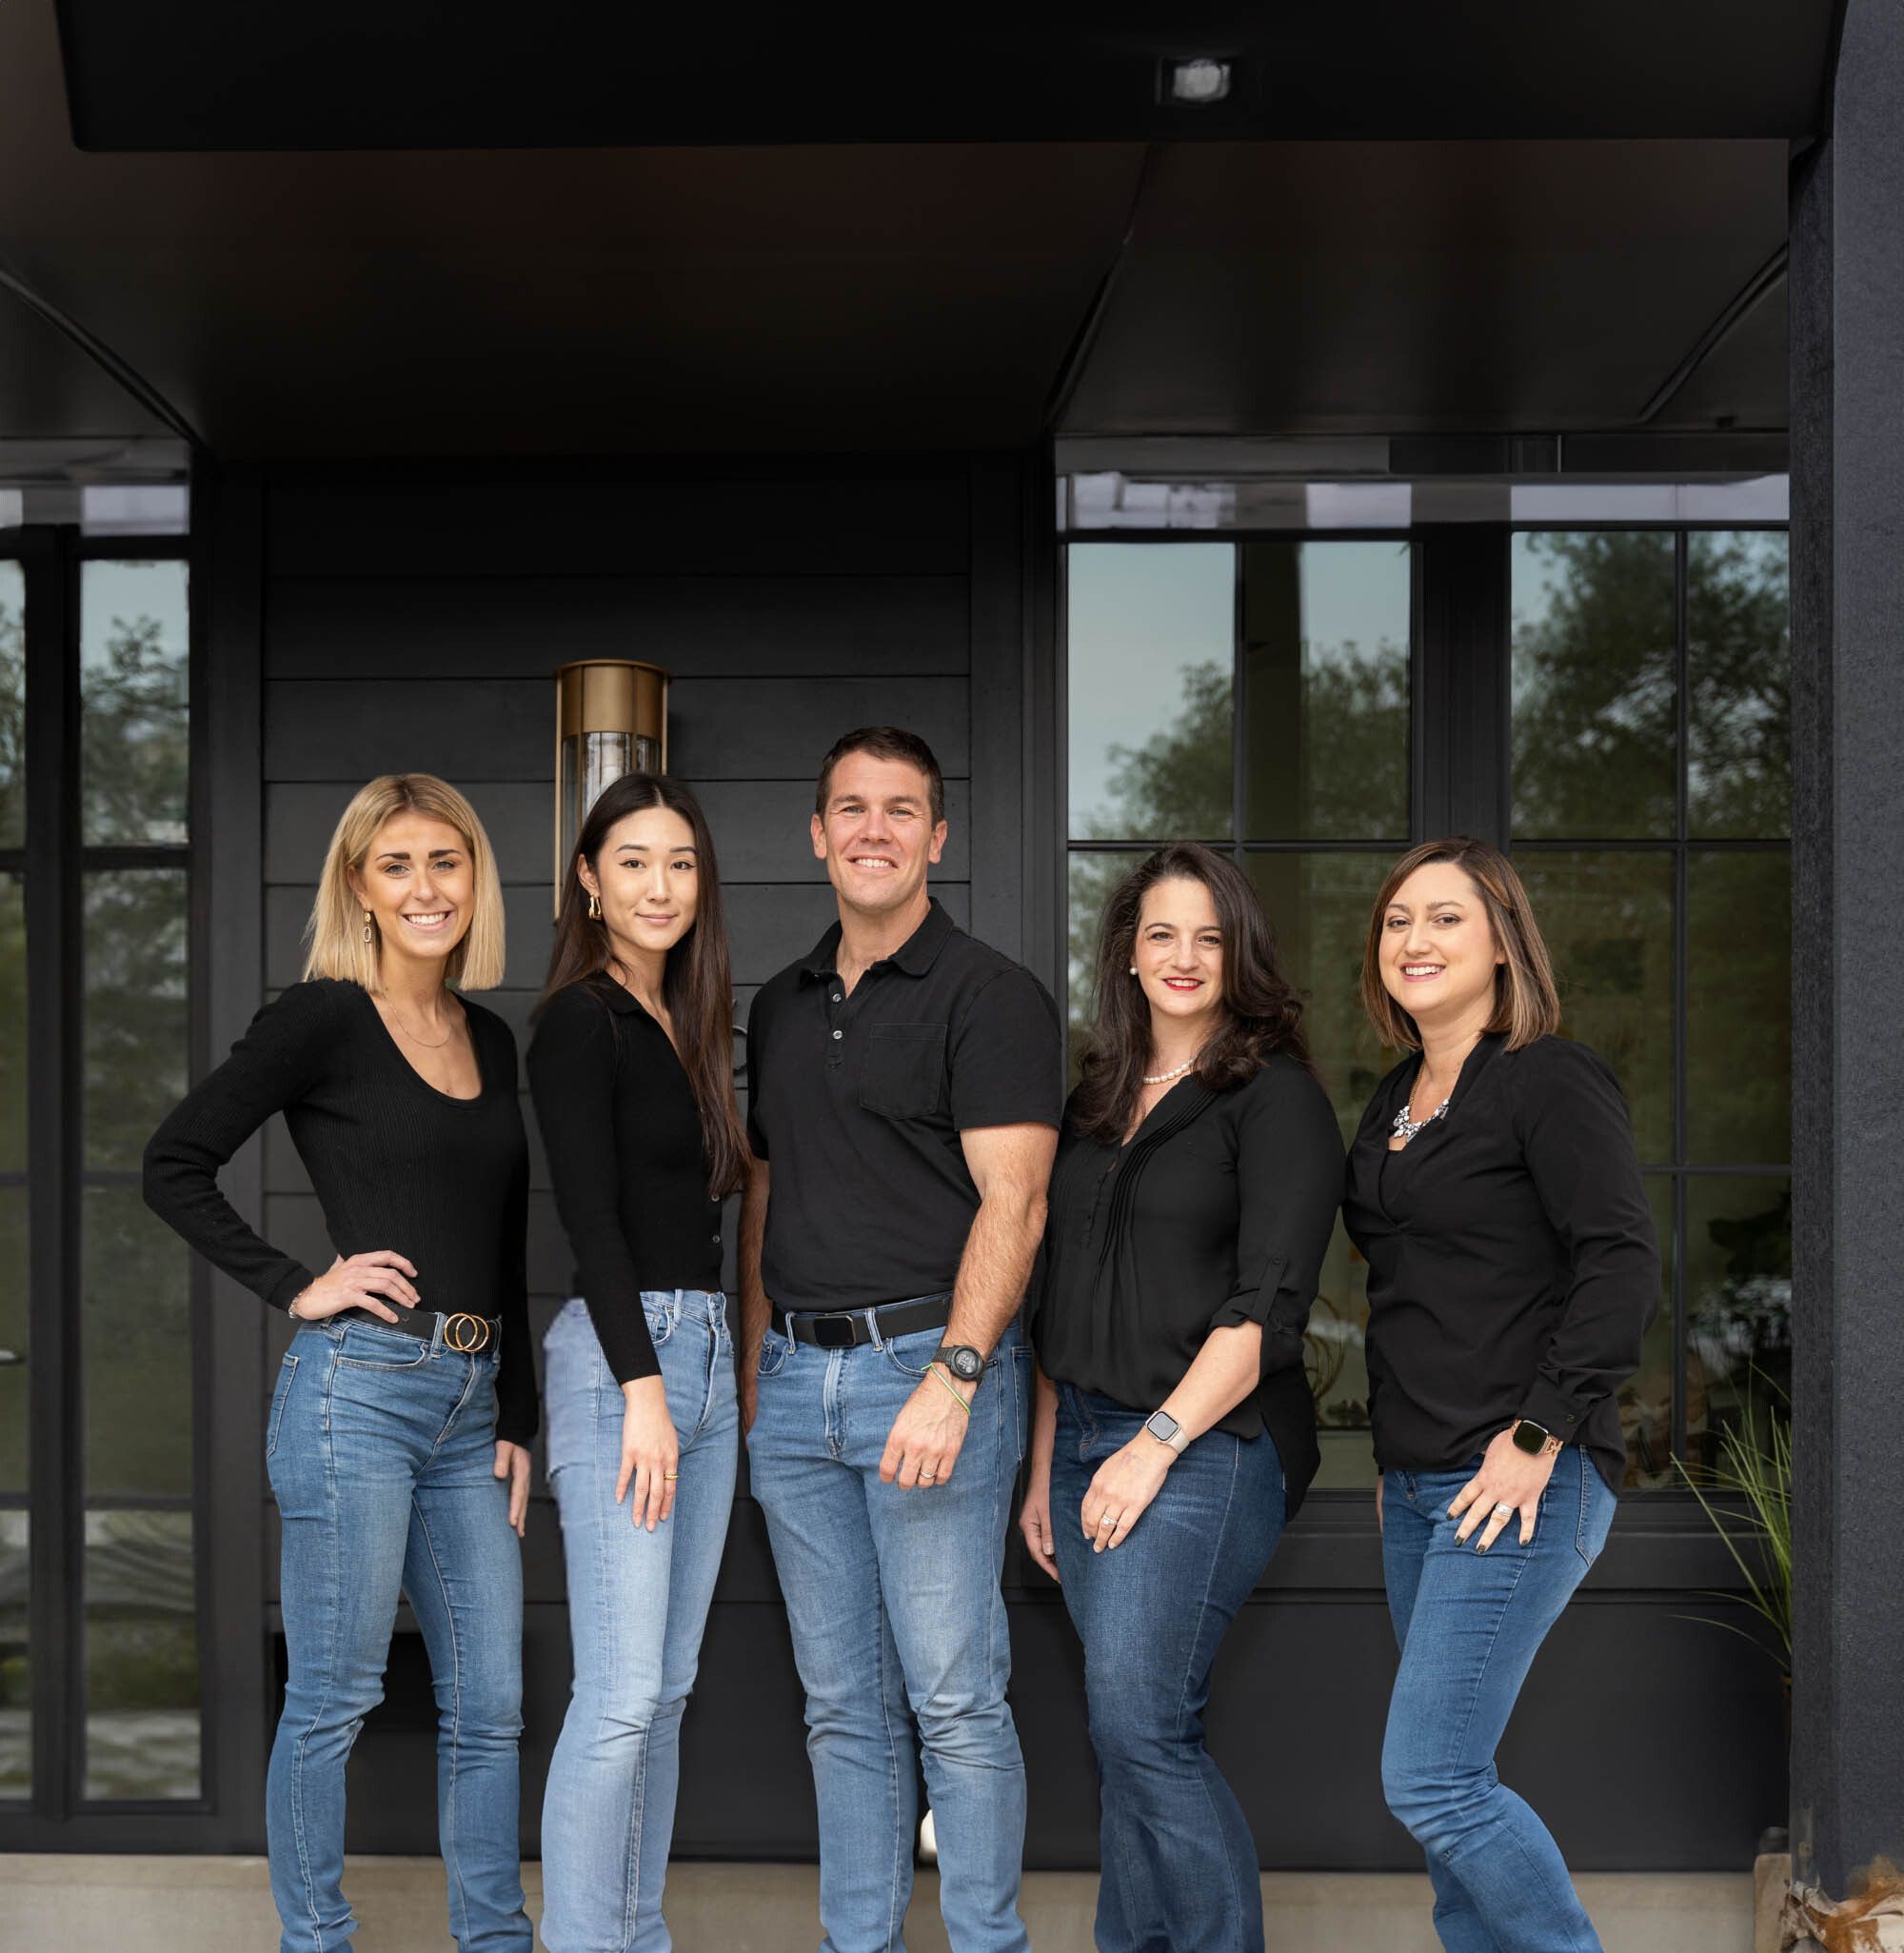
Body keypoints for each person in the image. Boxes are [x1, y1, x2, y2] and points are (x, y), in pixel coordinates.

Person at [142, 773, 533, 1953]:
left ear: (474, 878)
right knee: (336, 1696)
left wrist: (513, 1408)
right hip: (355, 1396)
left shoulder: (492, 1035)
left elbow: (506, 1234)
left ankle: (494, 1940)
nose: (427, 887)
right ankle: (316, 1940)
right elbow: (176, 1160)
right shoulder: (319, 1017)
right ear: (358, 886)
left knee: (492, 1704)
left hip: (470, 1411)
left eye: (446, 861)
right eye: (398, 864)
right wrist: (297, 1282)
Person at [740, 726, 1061, 1953]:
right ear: (817, 833)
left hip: (923, 1372)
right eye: (849, 807)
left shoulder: (988, 996)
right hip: (796, 1385)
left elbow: (1015, 1200)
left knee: (953, 1698)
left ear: (938, 836)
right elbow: (768, 1194)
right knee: (841, 1707)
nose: (873, 828)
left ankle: (986, 1941)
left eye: (900, 809)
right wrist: (759, 1368)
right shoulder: (779, 1002)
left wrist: (956, 1373)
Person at [1019, 843, 1342, 1953]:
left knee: (1141, 1723)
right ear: (1125, 952)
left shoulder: (1274, 1097)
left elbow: (1266, 1311)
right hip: (1086, 1442)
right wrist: (1044, 1463)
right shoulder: (1095, 1097)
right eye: (1160, 932)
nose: (1183, 955)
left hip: (1206, 1441)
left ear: (1238, 950)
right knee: (1127, 1733)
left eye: (1208, 935)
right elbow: (1060, 1293)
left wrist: (1151, 1445)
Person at [1342, 837, 1658, 1953]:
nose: (1413, 941)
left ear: (1500, 942)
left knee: (1429, 1778)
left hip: (1521, 1474)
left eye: (1443, 919)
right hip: (1420, 1486)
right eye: (1395, 921)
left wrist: (1535, 1431)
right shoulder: (1392, 1098)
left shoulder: (1544, 1077)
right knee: (1450, 1801)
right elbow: (1414, 1295)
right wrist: (1393, 1464)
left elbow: (1618, 1263)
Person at [526, 771, 749, 1953]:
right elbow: (591, 1220)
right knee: (616, 1697)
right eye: (632, 861)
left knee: (663, 1693)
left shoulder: (688, 1020)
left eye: (678, 861)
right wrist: (643, 1395)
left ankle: (633, 1934)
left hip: (701, 1352)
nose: (659, 884)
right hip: (631, 1363)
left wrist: (697, 1380)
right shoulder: (578, 1018)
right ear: (589, 881)